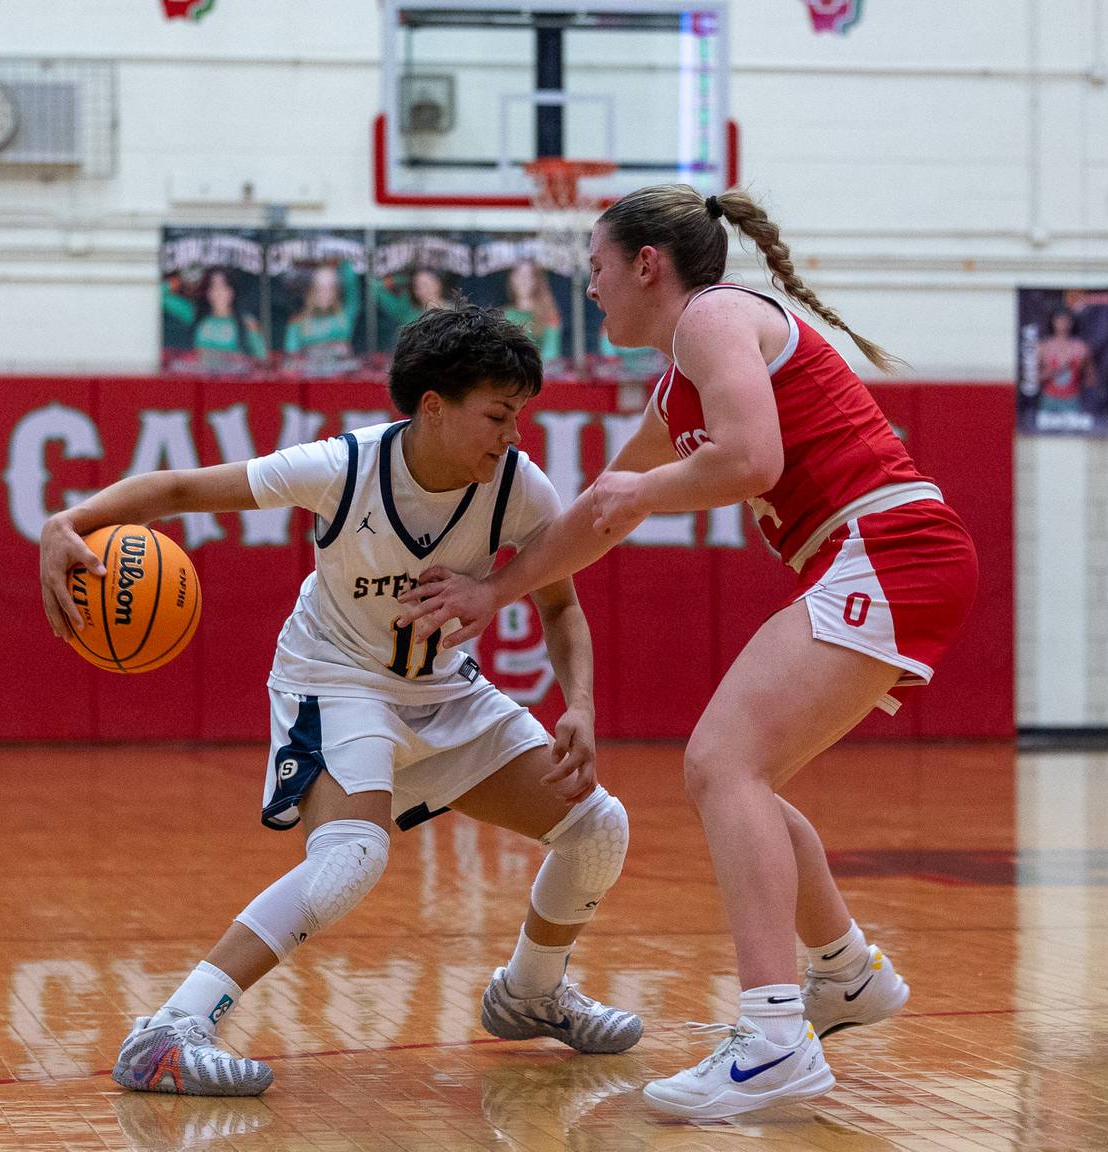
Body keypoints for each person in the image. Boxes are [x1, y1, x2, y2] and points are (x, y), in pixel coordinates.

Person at [398, 185, 979, 1121]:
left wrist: (651, 491)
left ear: (646, 265)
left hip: (889, 546)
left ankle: (773, 1039)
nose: (586, 286)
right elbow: (600, 508)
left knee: (720, 763)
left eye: (594, 264)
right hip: (883, 554)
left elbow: (753, 460)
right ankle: (845, 973)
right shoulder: (678, 381)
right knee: (746, 777)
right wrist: (494, 591)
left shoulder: (713, 317)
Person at [38, 305, 641, 1097]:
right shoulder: (343, 468)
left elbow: (561, 607)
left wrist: (581, 706)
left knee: (597, 826)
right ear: (433, 406)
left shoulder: (517, 489)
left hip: (442, 690)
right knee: (353, 856)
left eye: (519, 416)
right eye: (498, 415)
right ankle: (170, 1031)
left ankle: (530, 993)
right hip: (336, 678)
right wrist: (68, 520)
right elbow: (182, 486)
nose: (512, 435)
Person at [163, 267, 268, 362]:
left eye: (223, 286)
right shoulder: (195, 313)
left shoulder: (246, 321)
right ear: (208, 292)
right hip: (200, 380)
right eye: (213, 287)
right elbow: (158, 295)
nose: (218, 292)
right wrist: (182, 279)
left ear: (231, 291)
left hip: (231, 380)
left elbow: (262, 358)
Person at [283, 261, 361, 357]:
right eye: (319, 288)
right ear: (311, 291)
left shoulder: (344, 317)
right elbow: (291, 359)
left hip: (341, 370)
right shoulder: (297, 323)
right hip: (307, 370)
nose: (324, 294)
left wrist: (342, 258)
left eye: (330, 288)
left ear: (336, 292)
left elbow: (352, 286)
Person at [1035, 307, 1094, 413]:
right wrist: (1057, 369)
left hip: (1073, 400)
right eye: (1059, 320)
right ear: (1053, 322)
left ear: (1072, 322)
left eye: (1066, 320)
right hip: (1049, 400)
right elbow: (1032, 379)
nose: (1063, 324)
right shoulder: (1043, 346)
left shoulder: (1080, 347)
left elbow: (1091, 378)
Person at [504, 259, 563, 362]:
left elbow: (551, 353)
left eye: (528, 276)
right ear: (512, 279)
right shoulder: (504, 315)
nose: (523, 280)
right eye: (519, 275)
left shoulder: (549, 315)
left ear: (536, 280)